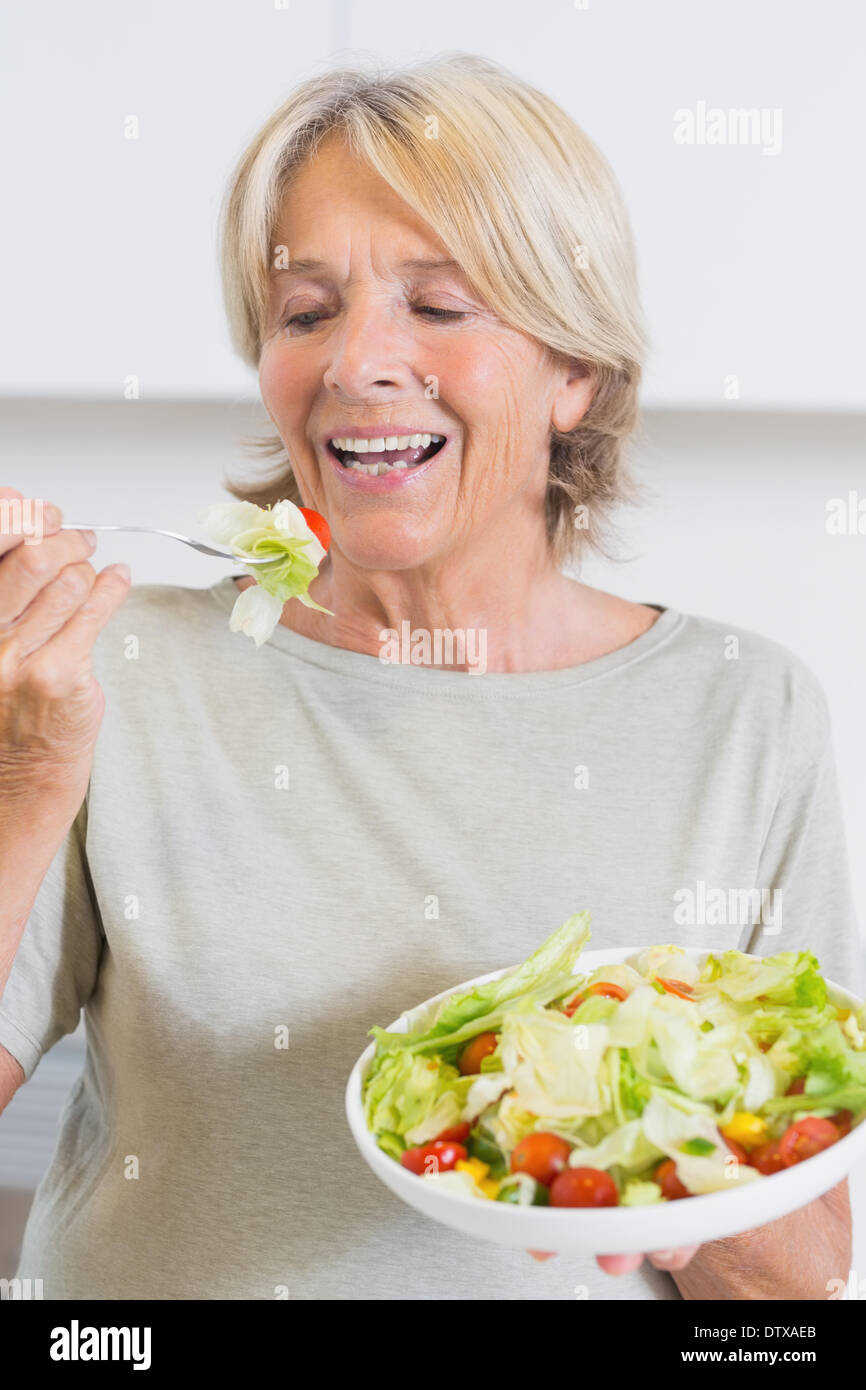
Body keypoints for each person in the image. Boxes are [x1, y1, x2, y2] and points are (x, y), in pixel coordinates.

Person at [0, 53, 861, 1300]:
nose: (357, 362)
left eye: (439, 306)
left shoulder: (744, 710)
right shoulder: (112, 671)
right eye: (305, 313)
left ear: (576, 373)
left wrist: (655, 1141)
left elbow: (796, 1289)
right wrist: (22, 776)